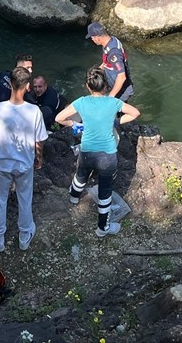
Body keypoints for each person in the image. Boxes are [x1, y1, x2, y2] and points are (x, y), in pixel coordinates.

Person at [56, 67, 141, 237]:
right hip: (108, 154)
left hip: (87, 150)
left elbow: (59, 118)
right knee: (105, 190)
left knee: (81, 175)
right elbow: (135, 113)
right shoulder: (113, 103)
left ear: (88, 86)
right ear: (106, 86)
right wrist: (116, 122)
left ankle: (74, 197)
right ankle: (103, 228)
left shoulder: (81, 102)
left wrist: (75, 124)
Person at [0, 66, 49, 252]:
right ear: (28, 87)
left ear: (10, 84)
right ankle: (25, 235)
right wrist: (38, 158)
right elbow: (39, 141)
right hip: (24, 163)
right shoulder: (34, 111)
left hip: (0, 163)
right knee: (25, 198)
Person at [86, 21, 134, 101]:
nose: (92, 40)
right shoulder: (109, 41)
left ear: (97, 38)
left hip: (121, 91)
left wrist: (111, 97)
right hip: (111, 84)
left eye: (92, 38)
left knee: (117, 108)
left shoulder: (114, 53)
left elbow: (121, 77)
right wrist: (98, 71)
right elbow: (107, 61)